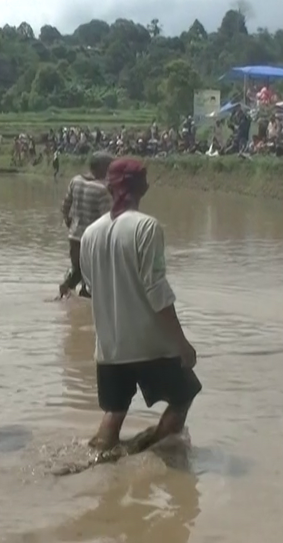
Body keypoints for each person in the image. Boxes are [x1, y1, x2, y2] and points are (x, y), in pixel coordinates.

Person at [78, 158, 200, 454]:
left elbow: (91, 288)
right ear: (142, 187)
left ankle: (101, 459)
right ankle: (149, 448)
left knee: (115, 411)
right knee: (185, 394)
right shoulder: (147, 227)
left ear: (109, 187)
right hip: (150, 346)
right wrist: (182, 344)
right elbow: (157, 292)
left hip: (108, 347)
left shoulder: (90, 234)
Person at [58, 151, 113, 299]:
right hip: (93, 240)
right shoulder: (103, 190)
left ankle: (65, 293)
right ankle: (85, 313)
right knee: (93, 279)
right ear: (103, 169)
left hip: (74, 236)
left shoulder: (76, 181)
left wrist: (70, 223)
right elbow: (107, 220)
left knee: (77, 270)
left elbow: (65, 206)